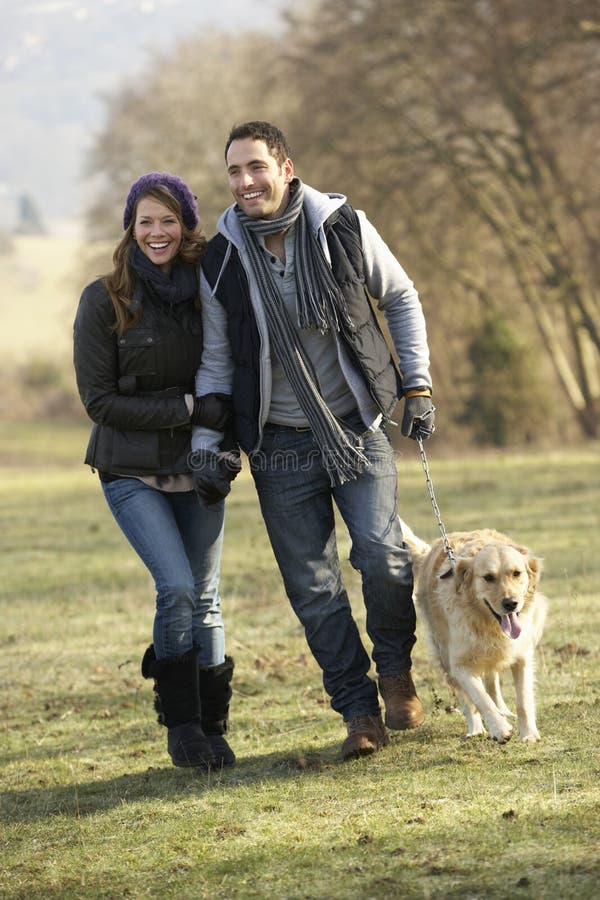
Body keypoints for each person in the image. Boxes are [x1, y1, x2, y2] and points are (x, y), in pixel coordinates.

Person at [190, 122, 435, 760]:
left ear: (286, 167)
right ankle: (358, 712)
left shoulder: (341, 228)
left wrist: (417, 385)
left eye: (256, 168)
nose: (245, 183)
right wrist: (207, 442)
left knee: (382, 559)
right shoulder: (221, 258)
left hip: (358, 428)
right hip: (278, 446)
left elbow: (401, 297)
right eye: (234, 173)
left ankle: (395, 672)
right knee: (314, 590)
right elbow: (217, 360)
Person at [73, 172, 236, 770]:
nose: (157, 232)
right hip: (129, 469)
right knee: (178, 589)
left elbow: (233, 369)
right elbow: (99, 402)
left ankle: (215, 727)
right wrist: (189, 408)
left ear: (186, 225)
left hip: (202, 466)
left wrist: (227, 440)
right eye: (146, 221)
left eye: (168, 220)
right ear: (130, 228)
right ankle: (182, 726)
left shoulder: (211, 290)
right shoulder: (104, 298)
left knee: (209, 599)